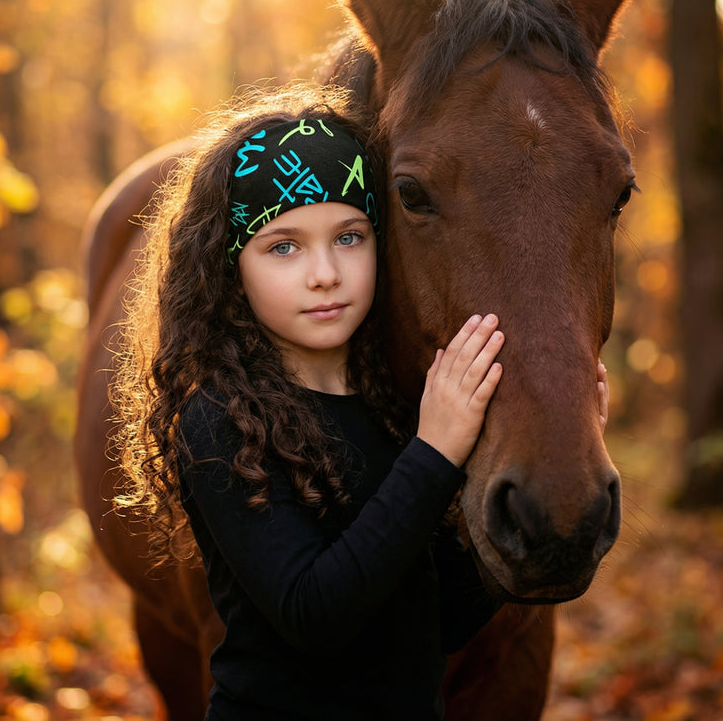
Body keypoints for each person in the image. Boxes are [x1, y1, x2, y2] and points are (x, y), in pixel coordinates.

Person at [113, 83, 609, 720]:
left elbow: (437, 624)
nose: (325, 273)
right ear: (231, 266)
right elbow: (313, 615)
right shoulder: (220, 423)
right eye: (284, 246)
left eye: (348, 237)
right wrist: (434, 454)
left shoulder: (388, 411)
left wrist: (523, 529)